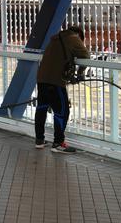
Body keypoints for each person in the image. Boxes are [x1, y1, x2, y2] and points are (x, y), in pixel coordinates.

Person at [34, 25, 89, 153]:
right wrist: (80, 73)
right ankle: (58, 143)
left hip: (42, 79)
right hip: (55, 82)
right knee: (62, 112)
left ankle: (39, 140)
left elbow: (57, 60)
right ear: (78, 35)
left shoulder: (55, 39)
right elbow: (85, 55)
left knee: (41, 108)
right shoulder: (73, 38)